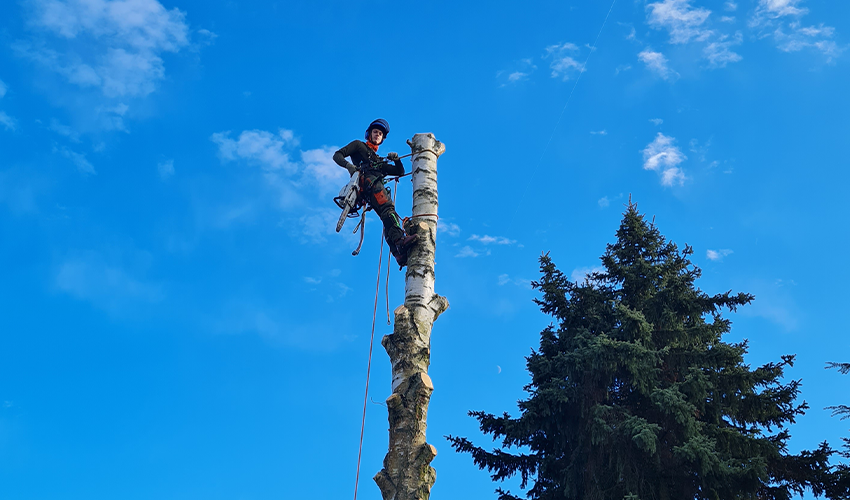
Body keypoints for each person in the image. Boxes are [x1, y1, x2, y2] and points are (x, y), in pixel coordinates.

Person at [333, 119, 418, 267]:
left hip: (373, 187)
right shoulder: (359, 146)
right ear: (369, 134)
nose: (377, 135)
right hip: (368, 184)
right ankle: (399, 241)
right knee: (387, 209)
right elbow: (337, 155)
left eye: (380, 133)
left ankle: (397, 252)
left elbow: (400, 172)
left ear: (382, 138)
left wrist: (397, 160)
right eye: (375, 132)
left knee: (386, 216)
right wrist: (350, 167)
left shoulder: (379, 161)